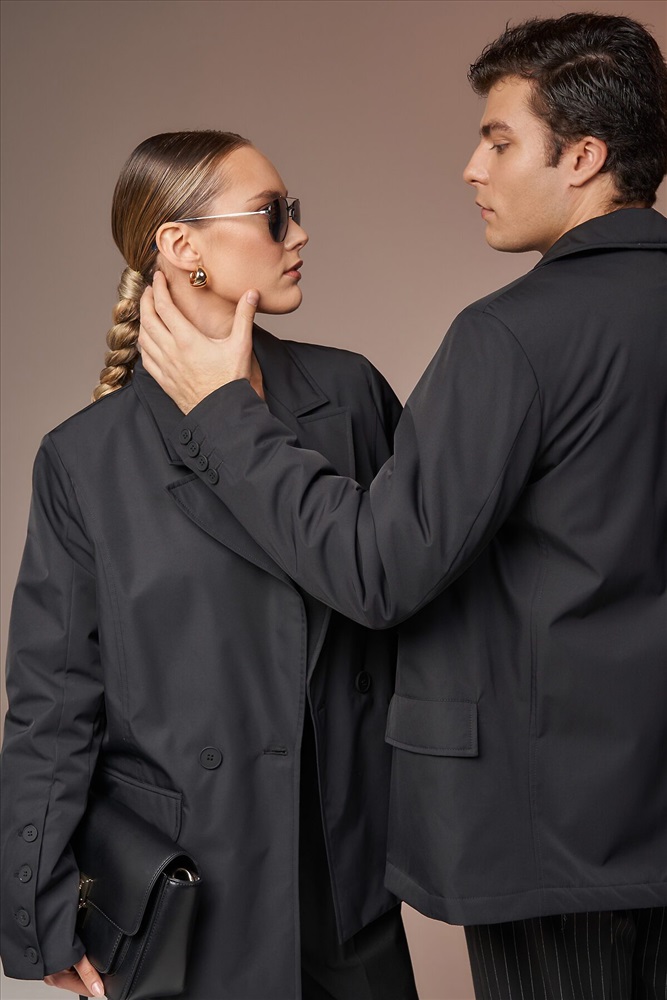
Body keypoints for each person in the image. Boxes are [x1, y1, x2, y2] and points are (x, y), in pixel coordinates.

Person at [138, 13, 667, 1000]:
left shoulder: (513, 337)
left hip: (553, 835)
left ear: (583, 157)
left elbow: (376, 571)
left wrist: (222, 412)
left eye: (498, 141)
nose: (472, 167)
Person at [0, 130, 419, 1000]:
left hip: (347, 878)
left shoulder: (349, 397)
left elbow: (415, 596)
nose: (298, 232)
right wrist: (36, 910)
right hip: (186, 889)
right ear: (180, 245)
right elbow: (53, 701)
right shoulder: (87, 458)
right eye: (272, 213)